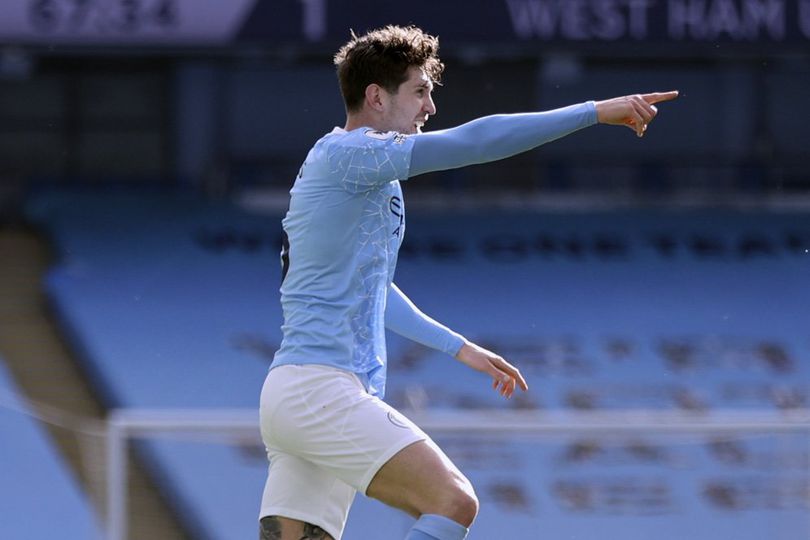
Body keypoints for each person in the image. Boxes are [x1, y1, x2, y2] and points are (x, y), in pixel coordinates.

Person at [258, 24, 678, 540]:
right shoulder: (353, 155)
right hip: (322, 390)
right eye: (419, 91)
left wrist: (459, 348)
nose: (430, 107)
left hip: (297, 391)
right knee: (451, 501)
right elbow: (476, 141)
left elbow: (371, 288)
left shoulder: (359, 171)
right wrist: (592, 112)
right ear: (375, 96)